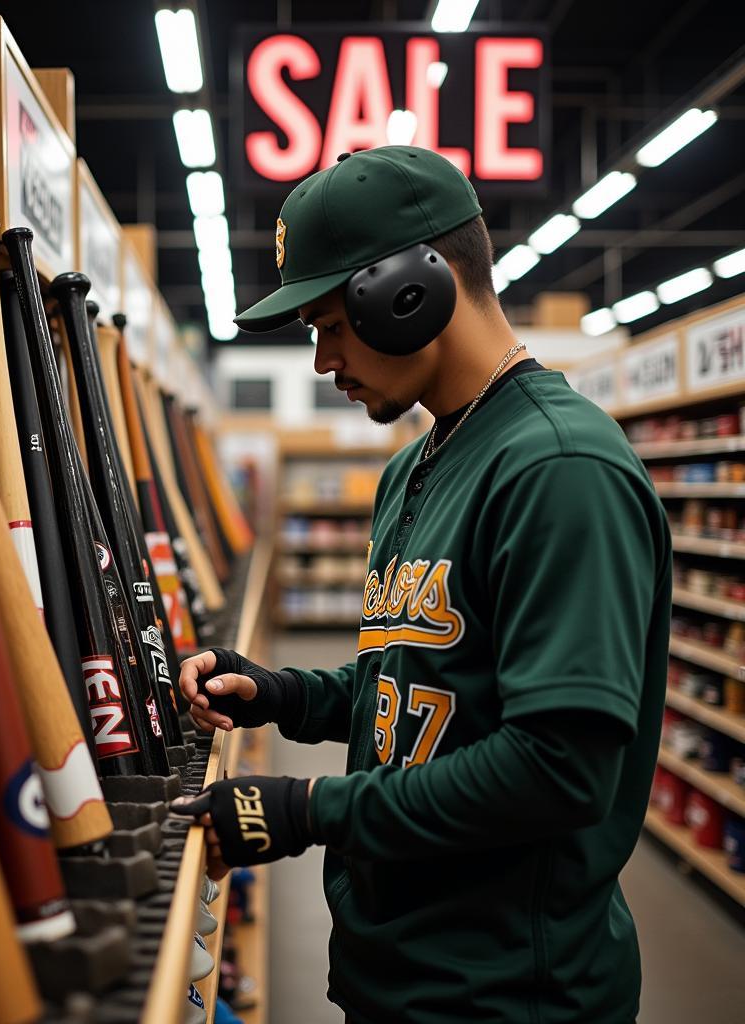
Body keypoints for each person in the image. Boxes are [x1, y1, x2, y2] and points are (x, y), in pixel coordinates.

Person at [170, 146, 671, 1024]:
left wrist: (311, 810)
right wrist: (283, 694)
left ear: (411, 293)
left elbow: (558, 770)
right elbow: (423, 683)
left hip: (509, 994)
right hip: (399, 968)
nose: (323, 360)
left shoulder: (559, 467)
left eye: (329, 324)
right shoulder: (415, 468)